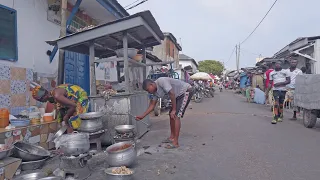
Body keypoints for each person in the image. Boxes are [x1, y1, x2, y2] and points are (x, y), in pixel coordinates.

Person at [136, 77, 193, 149]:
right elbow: (152, 105)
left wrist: (174, 110)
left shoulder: (161, 81)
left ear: (151, 84)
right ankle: (172, 137)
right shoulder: (155, 93)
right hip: (177, 96)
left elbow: (172, 93)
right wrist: (142, 116)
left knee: (175, 115)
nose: (148, 92)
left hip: (186, 91)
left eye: (148, 89)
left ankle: (176, 143)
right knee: (171, 114)